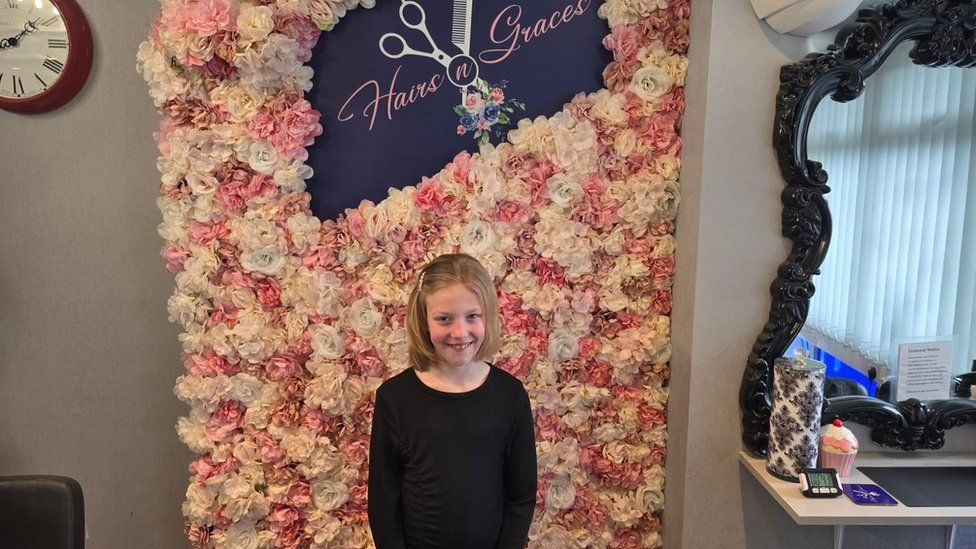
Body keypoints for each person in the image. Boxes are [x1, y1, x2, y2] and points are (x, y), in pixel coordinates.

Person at [367, 253, 538, 549]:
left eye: (472, 316)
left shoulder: (510, 395)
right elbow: (383, 503)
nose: (460, 332)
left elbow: (520, 496)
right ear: (423, 320)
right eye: (444, 318)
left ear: (488, 315)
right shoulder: (394, 398)